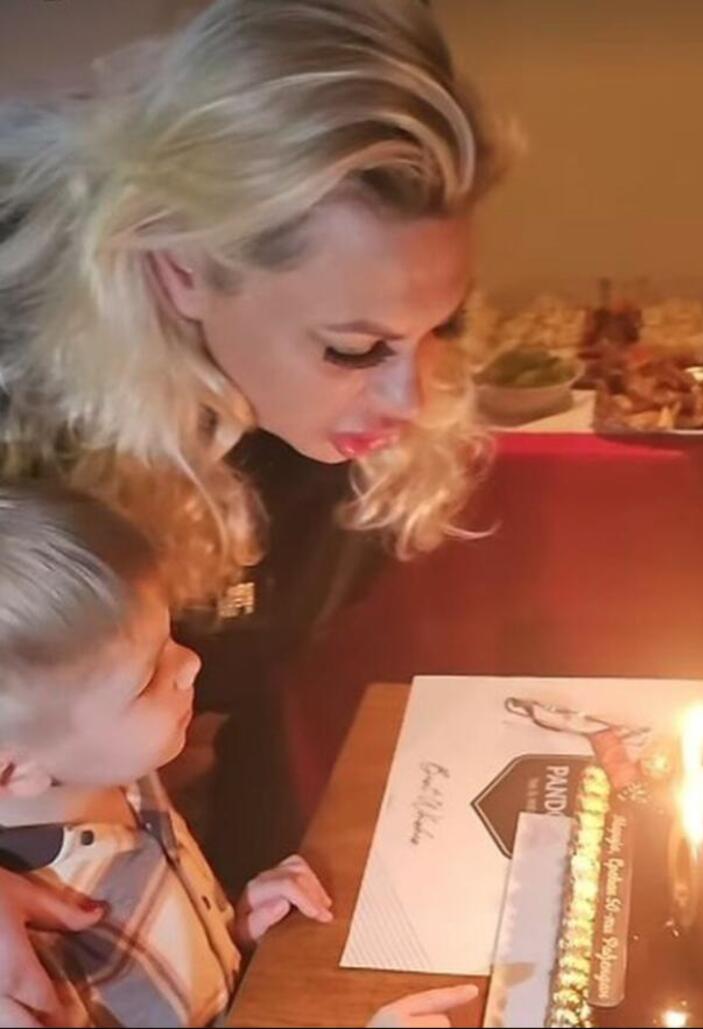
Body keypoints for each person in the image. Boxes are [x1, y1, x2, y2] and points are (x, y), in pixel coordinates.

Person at [0, 0, 510, 1021]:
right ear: (180, 267)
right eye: (354, 347)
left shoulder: (326, 439)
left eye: (440, 327)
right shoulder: (27, 401)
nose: (413, 399)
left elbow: (225, 698)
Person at [0, 481, 479, 1028]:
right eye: (145, 680)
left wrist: (235, 933)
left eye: (169, 638)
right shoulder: (25, 957)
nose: (189, 665)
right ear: (13, 771)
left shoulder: (123, 774)